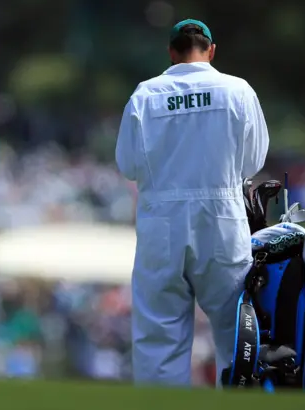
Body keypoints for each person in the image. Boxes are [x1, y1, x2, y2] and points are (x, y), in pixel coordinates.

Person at [115, 19, 269, 387]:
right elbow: (254, 160)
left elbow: (128, 165)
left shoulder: (145, 94)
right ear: (211, 50)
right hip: (222, 219)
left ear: (171, 52)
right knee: (236, 333)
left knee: (159, 339)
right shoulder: (238, 91)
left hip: (161, 223)